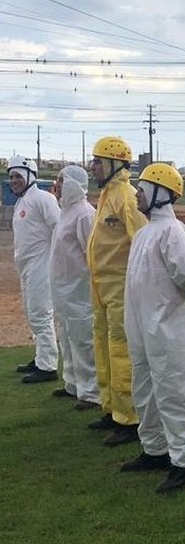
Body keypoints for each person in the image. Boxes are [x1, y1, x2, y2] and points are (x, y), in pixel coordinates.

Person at [120, 163, 185, 494]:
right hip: (141, 326)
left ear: (160, 192)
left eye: (143, 187)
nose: (138, 193)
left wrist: (168, 308)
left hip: (167, 328)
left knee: (171, 393)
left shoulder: (174, 231)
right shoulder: (143, 233)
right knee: (145, 389)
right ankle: (155, 449)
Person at [87, 137, 148, 446]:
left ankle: (129, 418)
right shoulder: (107, 194)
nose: (92, 166)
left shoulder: (126, 196)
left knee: (120, 349)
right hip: (101, 286)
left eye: (97, 161)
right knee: (103, 345)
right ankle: (111, 407)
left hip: (121, 286)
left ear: (113, 163)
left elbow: (143, 241)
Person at [49, 165, 100, 409]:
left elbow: (92, 253)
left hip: (80, 292)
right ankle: (72, 383)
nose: (57, 185)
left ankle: (91, 392)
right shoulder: (65, 213)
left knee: (83, 341)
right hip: (64, 291)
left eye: (61, 180)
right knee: (67, 339)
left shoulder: (85, 214)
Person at [9, 155, 60, 383]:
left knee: (41, 313)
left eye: (18, 176)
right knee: (32, 314)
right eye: (11, 176)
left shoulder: (42, 199)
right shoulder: (22, 202)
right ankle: (40, 357)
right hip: (27, 267)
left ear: (30, 176)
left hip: (42, 265)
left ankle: (48, 366)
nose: (14, 181)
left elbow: (58, 229)